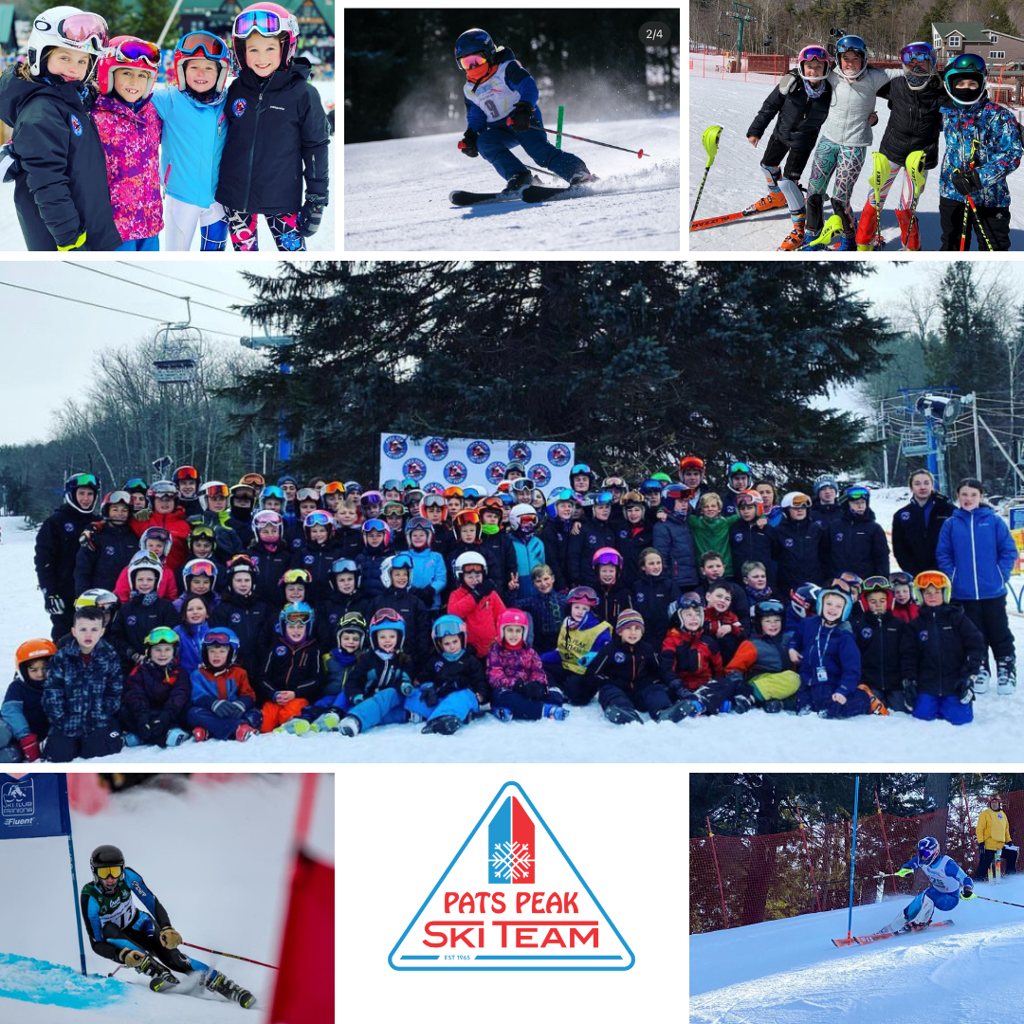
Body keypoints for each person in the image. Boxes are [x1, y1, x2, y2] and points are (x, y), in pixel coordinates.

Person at [0, 7, 121, 251]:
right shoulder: (41, 112)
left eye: (83, 60)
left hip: (86, 225)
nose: (74, 69)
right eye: (64, 58)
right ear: (40, 57)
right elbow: (48, 183)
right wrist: (70, 239)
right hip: (63, 236)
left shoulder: (68, 99)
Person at [217, 2, 330, 251]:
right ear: (241, 51)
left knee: (294, 258)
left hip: (281, 202)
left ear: (286, 47)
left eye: (270, 48)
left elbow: (316, 148)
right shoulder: (236, 90)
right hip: (237, 201)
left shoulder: (303, 94)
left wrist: (317, 199)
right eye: (253, 50)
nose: (261, 58)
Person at [81, 844, 254, 1005]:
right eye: (104, 873)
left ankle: (227, 986)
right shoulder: (90, 897)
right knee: (109, 930)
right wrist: (122, 956)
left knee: (175, 958)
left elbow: (150, 901)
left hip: (141, 924)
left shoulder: (129, 877)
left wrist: (166, 927)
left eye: (115, 871)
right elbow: (97, 942)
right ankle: (157, 971)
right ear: (95, 872)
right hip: (118, 938)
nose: (111, 878)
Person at [453, 26, 593, 196]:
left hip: (523, 119)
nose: (473, 66)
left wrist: (524, 109)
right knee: (484, 142)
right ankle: (519, 177)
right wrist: (472, 136)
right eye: (466, 63)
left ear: (489, 53)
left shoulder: (506, 69)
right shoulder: (469, 89)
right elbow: (476, 116)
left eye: (477, 60)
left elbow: (529, 86)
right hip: (500, 129)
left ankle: (578, 173)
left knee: (538, 151)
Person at [803, 35, 899, 250]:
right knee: (814, 191)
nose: (850, 63)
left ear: (864, 58)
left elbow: (907, 72)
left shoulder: (875, 77)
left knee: (840, 199)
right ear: (838, 59)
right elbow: (809, 68)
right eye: (845, 58)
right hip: (828, 141)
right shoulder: (832, 74)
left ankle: (848, 238)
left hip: (855, 146)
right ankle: (812, 237)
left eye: (855, 59)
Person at [853, 42, 943, 251]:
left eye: (922, 62)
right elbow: (866, 79)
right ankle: (864, 244)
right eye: (910, 64)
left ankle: (911, 247)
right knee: (875, 199)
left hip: (920, 157)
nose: (916, 68)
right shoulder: (896, 85)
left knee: (907, 207)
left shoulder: (940, 91)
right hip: (892, 151)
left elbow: (966, 99)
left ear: (932, 63)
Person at [746, 44, 834, 250]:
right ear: (802, 66)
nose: (814, 71)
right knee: (767, 166)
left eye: (819, 67)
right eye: (809, 66)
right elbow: (770, 107)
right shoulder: (791, 83)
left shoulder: (831, 89)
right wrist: (755, 130)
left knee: (788, 183)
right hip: (781, 135)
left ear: (826, 69)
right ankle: (776, 197)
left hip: (803, 142)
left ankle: (799, 229)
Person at [150, 32, 231, 250]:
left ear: (220, 72)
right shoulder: (169, 100)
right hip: (181, 196)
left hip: (218, 198)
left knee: (213, 254)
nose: (201, 73)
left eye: (209, 67)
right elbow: (135, 97)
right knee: (177, 254)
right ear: (182, 70)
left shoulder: (228, 104)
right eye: (193, 67)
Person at [936, 478, 1017, 693]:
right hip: (965, 593)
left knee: (999, 631)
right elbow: (943, 554)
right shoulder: (951, 524)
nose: (968, 499)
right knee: (975, 633)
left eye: (973, 494)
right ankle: (979, 668)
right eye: (964, 494)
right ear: (957, 496)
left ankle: (1006, 668)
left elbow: (1009, 551)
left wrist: (1000, 575)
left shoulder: (993, 521)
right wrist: (953, 577)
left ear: (981, 497)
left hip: (993, 591)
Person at [938, 54, 1023, 251]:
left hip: (991, 197)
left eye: (972, 83)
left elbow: (1012, 154)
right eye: (960, 83)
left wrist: (979, 177)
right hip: (952, 193)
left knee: (994, 249)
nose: (966, 88)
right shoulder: (946, 112)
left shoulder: (999, 115)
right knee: (952, 246)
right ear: (950, 85)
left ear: (982, 84)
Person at [92, 36, 163, 250]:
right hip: (115, 228)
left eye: (143, 75)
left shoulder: (152, 112)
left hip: (151, 223)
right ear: (109, 74)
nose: (135, 82)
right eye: (126, 73)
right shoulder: (94, 115)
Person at [900, 570, 984, 725]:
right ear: (920, 595)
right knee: (922, 716)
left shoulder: (958, 620)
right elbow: (908, 655)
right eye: (927, 593)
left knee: (960, 718)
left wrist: (968, 676)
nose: (932, 596)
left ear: (945, 594)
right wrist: (910, 680)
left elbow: (976, 645)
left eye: (937, 592)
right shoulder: (915, 625)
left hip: (955, 683)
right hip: (927, 683)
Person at [42, 605, 125, 761]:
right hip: (67, 722)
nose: (88, 634)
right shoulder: (62, 657)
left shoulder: (109, 655)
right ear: (74, 631)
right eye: (83, 629)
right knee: (59, 756)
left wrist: (103, 714)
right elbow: (52, 692)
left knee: (98, 754)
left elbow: (114, 690)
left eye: (94, 630)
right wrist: (60, 719)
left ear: (102, 631)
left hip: (96, 721)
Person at [788, 585, 876, 717]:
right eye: (829, 603)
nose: (832, 609)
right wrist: (792, 648)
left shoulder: (844, 637)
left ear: (844, 610)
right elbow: (797, 638)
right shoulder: (808, 624)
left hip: (832, 684)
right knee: (802, 709)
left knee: (832, 710)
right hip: (808, 681)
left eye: (838, 606)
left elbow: (852, 669)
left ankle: (863, 698)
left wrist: (842, 691)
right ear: (820, 604)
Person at [589, 609, 688, 724]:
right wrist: (606, 682)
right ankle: (624, 712)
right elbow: (592, 672)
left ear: (642, 632)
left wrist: (661, 684)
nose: (633, 633)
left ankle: (662, 711)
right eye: (628, 628)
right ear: (620, 631)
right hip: (618, 688)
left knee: (654, 690)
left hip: (640, 691)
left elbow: (657, 670)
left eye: (637, 629)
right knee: (609, 691)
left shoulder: (647, 649)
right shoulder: (610, 649)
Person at [35, 472, 100, 639]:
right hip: (65, 595)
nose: (86, 499)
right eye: (81, 493)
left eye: (90, 494)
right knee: (66, 640)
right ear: (71, 494)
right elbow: (44, 560)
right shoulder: (55, 522)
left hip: (92, 594)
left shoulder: (98, 522)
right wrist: (49, 592)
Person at [487, 608, 568, 722]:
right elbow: (495, 677)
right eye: (510, 630)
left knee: (553, 694)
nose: (514, 635)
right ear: (502, 631)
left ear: (523, 632)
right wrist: (517, 685)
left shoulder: (529, 651)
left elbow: (538, 671)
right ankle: (544, 710)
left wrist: (536, 685)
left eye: (518, 631)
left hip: (527, 689)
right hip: (508, 690)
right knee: (507, 698)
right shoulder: (496, 651)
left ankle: (512, 710)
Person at [883, 836, 974, 935]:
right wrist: (906, 869)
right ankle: (894, 926)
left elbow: (965, 878)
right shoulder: (922, 860)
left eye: (925, 854)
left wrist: (968, 888)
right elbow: (910, 865)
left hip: (950, 898)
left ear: (934, 853)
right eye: (920, 853)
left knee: (929, 896)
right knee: (918, 900)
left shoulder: (947, 864)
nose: (922, 857)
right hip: (936, 891)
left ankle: (920, 923)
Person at [186, 627, 261, 742]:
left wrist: (241, 704)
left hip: (233, 710)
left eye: (222, 651)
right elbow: (197, 697)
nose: (216, 655)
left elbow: (248, 694)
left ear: (231, 653)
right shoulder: (197, 675)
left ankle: (208, 730)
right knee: (193, 714)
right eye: (212, 651)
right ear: (205, 653)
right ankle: (237, 728)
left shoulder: (239, 673)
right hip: (211, 711)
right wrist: (213, 704)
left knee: (256, 714)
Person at [122, 627, 191, 748]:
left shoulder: (179, 672)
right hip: (146, 712)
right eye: (157, 650)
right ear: (149, 651)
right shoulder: (140, 671)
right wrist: (142, 717)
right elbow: (135, 693)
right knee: (124, 711)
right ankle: (146, 732)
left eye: (167, 649)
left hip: (168, 714)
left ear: (174, 651)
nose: (162, 654)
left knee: (187, 709)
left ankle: (166, 732)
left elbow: (179, 695)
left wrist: (165, 717)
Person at [0, 639, 57, 762]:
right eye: (34, 670)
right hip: (14, 729)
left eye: (45, 668)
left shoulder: (57, 687)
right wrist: (25, 736)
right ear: (24, 671)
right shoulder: (18, 687)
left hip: (31, 741)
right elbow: (11, 711)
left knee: (8, 757)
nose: (41, 673)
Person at [891, 469, 954, 578]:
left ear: (932, 485)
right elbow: (899, 549)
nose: (922, 487)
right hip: (916, 574)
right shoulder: (901, 516)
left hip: (945, 572)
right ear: (911, 487)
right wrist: (912, 572)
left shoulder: (949, 511)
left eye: (926, 483)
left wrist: (950, 569)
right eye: (917, 484)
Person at [825, 484, 890, 580]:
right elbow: (826, 555)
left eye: (863, 502)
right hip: (839, 582)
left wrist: (880, 581)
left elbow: (882, 559)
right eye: (856, 503)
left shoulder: (874, 528)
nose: (860, 506)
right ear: (847, 504)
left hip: (866, 583)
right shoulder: (834, 527)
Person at [975, 794, 1013, 881]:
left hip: (1000, 846)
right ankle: (978, 883)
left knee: (1012, 854)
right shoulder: (985, 814)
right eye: (992, 802)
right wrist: (980, 842)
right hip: (989, 846)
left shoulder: (1003, 815)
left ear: (999, 803)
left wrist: (1009, 841)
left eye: (996, 802)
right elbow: (980, 829)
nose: (994, 804)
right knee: (984, 865)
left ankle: (1010, 877)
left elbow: (1006, 830)